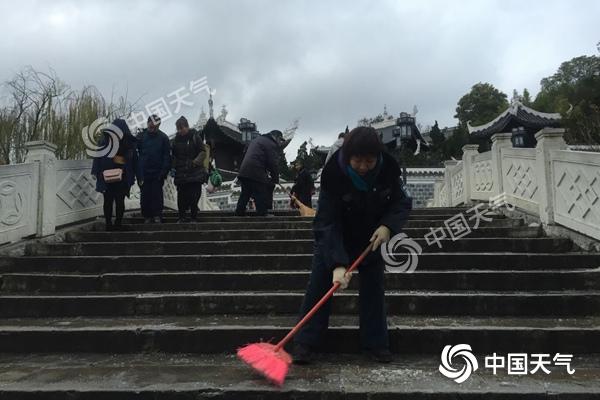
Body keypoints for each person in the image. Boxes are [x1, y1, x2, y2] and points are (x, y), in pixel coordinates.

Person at [292, 126, 413, 364]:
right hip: (336, 236)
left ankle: (376, 343)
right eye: (357, 161)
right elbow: (326, 222)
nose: (363, 167)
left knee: (373, 289)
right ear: (348, 156)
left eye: (369, 161)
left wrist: (388, 226)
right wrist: (337, 263)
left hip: (372, 237)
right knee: (319, 286)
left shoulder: (388, 170)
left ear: (377, 156)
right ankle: (305, 341)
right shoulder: (333, 175)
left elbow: (402, 202)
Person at [91, 118, 138, 231]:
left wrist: (138, 175)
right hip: (107, 177)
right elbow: (97, 158)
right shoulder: (104, 142)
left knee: (119, 200)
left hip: (122, 177)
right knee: (108, 200)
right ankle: (108, 223)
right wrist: (95, 171)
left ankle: (118, 223)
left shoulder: (129, 144)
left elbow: (135, 161)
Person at [235, 130, 284, 216]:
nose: (280, 142)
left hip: (244, 170)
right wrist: (275, 178)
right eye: (280, 140)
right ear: (275, 137)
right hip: (256, 170)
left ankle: (239, 211)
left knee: (245, 193)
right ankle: (262, 213)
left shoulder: (257, 140)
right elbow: (273, 163)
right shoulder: (271, 144)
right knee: (261, 191)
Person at [171, 116, 208, 222]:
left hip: (194, 171)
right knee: (181, 197)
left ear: (187, 127)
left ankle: (193, 217)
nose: (180, 131)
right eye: (178, 128)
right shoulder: (175, 140)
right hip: (181, 172)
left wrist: (195, 162)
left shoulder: (195, 137)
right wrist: (173, 167)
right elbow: (174, 156)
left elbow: (202, 152)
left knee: (194, 195)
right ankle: (181, 217)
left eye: (182, 128)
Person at [136, 115, 171, 223]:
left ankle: (157, 215)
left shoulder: (164, 138)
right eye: (150, 126)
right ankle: (146, 216)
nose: (152, 128)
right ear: (147, 124)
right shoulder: (141, 136)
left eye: (154, 127)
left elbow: (166, 156)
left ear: (158, 126)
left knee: (157, 195)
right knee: (145, 195)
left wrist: (164, 172)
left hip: (157, 172)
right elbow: (135, 153)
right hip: (144, 172)